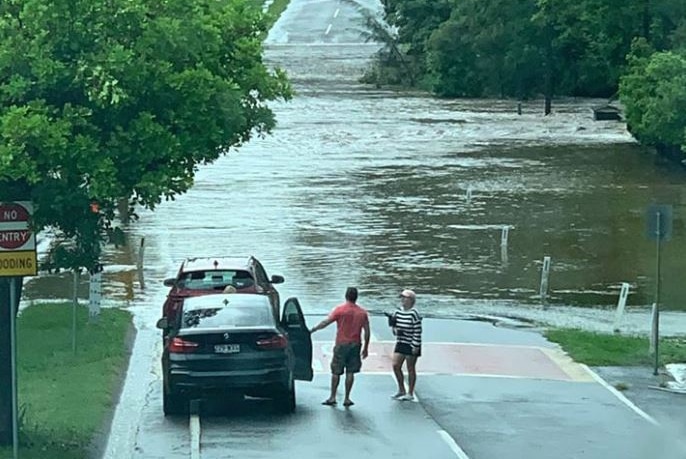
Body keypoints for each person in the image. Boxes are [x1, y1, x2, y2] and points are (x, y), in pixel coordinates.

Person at [310, 287, 370, 407]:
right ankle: (347, 398)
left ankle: (333, 397)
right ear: (356, 297)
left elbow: (326, 322)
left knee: (336, 371)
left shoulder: (340, 310)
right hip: (355, 344)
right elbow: (367, 331)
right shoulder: (362, 312)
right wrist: (365, 348)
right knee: (350, 372)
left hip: (341, 343)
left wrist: (313, 329)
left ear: (346, 296)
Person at [389, 289, 422, 401]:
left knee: (410, 368)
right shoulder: (397, 312)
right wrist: (393, 326)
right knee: (395, 365)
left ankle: (410, 392)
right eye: (401, 297)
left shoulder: (414, 314)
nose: (402, 299)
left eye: (405, 297)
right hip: (401, 341)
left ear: (411, 300)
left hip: (411, 343)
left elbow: (418, 330)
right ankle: (401, 389)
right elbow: (394, 331)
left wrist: (415, 346)